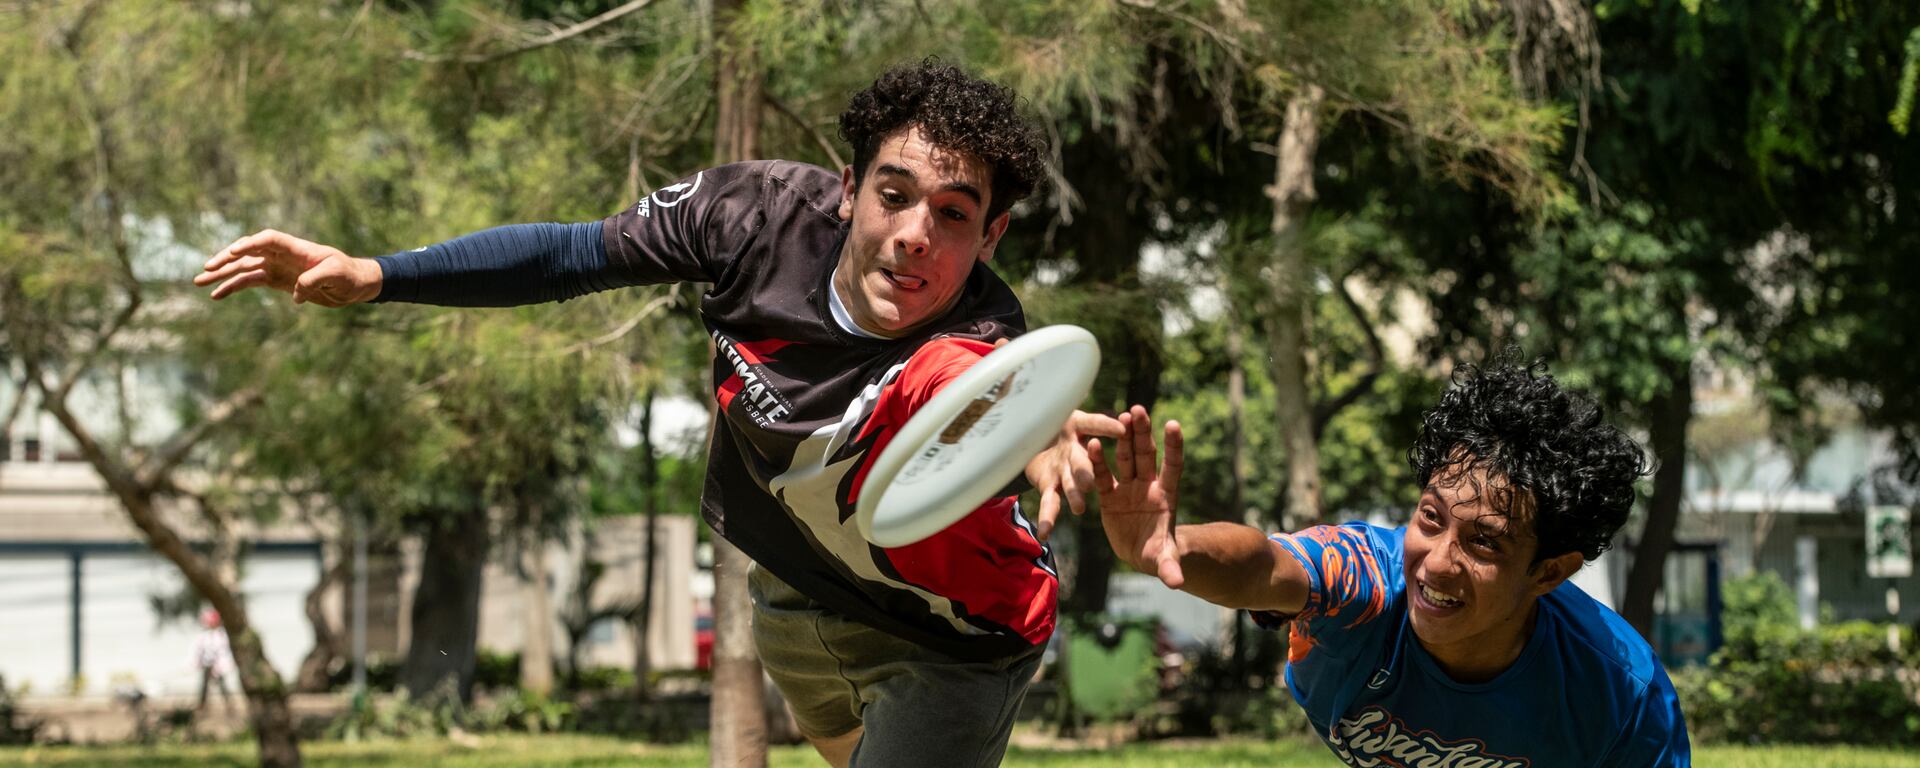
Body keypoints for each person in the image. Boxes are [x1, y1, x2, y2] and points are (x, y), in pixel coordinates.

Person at [195, 60, 1119, 767]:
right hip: (794, 594)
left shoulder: (979, 337)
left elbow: (986, 399)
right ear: (849, 190)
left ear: (990, 235)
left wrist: (1039, 439)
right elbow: (568, 256)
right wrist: (377, 275)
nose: (917, 233)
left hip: (951, 631)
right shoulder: (750, 219)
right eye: (894, 195)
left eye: (956, 216)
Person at [1088, 358, 1692, 766]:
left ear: (1548, 572)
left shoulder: (1619, 692)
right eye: (1431, 518)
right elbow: (1262, 568)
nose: (1437, 563)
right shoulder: (1367, 584)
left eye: (1484, 543)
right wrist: (1175, 549)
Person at [190, 608, 235, 716]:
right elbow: (199, 651)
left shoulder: (221, 635)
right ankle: (202, 705)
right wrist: (197, 662)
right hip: (207, 664)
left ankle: (229, 704)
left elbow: (223, 651)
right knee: (204, 686)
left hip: (217, 665)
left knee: (222, 685)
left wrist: (223, 664)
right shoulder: (204, 636)